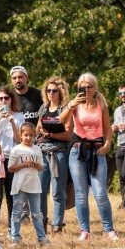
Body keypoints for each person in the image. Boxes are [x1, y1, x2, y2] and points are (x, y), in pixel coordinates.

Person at [63, 72, 117, 241]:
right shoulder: (74, 105)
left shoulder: (101, 104)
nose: (85, 89)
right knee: (80, 193)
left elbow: (108, 128)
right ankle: (84, 230)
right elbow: (61, 121)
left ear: (95, 88)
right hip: (78, 150)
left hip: (97, 150)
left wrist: (107, 145)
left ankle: (109, 229)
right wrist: (70, 105)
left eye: (89, 87)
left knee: (100, 192)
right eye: (82, 87)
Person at [0, 86, 24, 235]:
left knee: (12, 194)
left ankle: (12, 228)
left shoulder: (19, 116)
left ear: (11, 99)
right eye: (0, 98)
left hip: (13, 159)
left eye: (6, 98)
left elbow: (19, 139)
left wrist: (12, 122)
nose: (3, 101)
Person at [37, 77, 71, 233]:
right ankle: (42, 221)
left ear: (61, 92)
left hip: (58, 153)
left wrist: (50, 134)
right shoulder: (43, 108)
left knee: (58, 190)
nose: (51, 93)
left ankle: (57, 224)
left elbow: (68, 135)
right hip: (42, 152)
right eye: (48, 90)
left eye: (54, 90)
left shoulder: (65, 109)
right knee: (41, 190)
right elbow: (38, 128)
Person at [6, 122, 46, 246]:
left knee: (36, 213)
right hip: (20, 184)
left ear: (34, 136)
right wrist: (24, 164)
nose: (28, 138)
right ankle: (15, 237)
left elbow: (41, 167)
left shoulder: (37, 149)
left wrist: (36, 165)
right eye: (26, 135)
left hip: (34, 185)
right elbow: (10, 168)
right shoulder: (16, 150)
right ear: (21, 135)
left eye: (31, 135)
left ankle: (42, 238)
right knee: (17, 212)